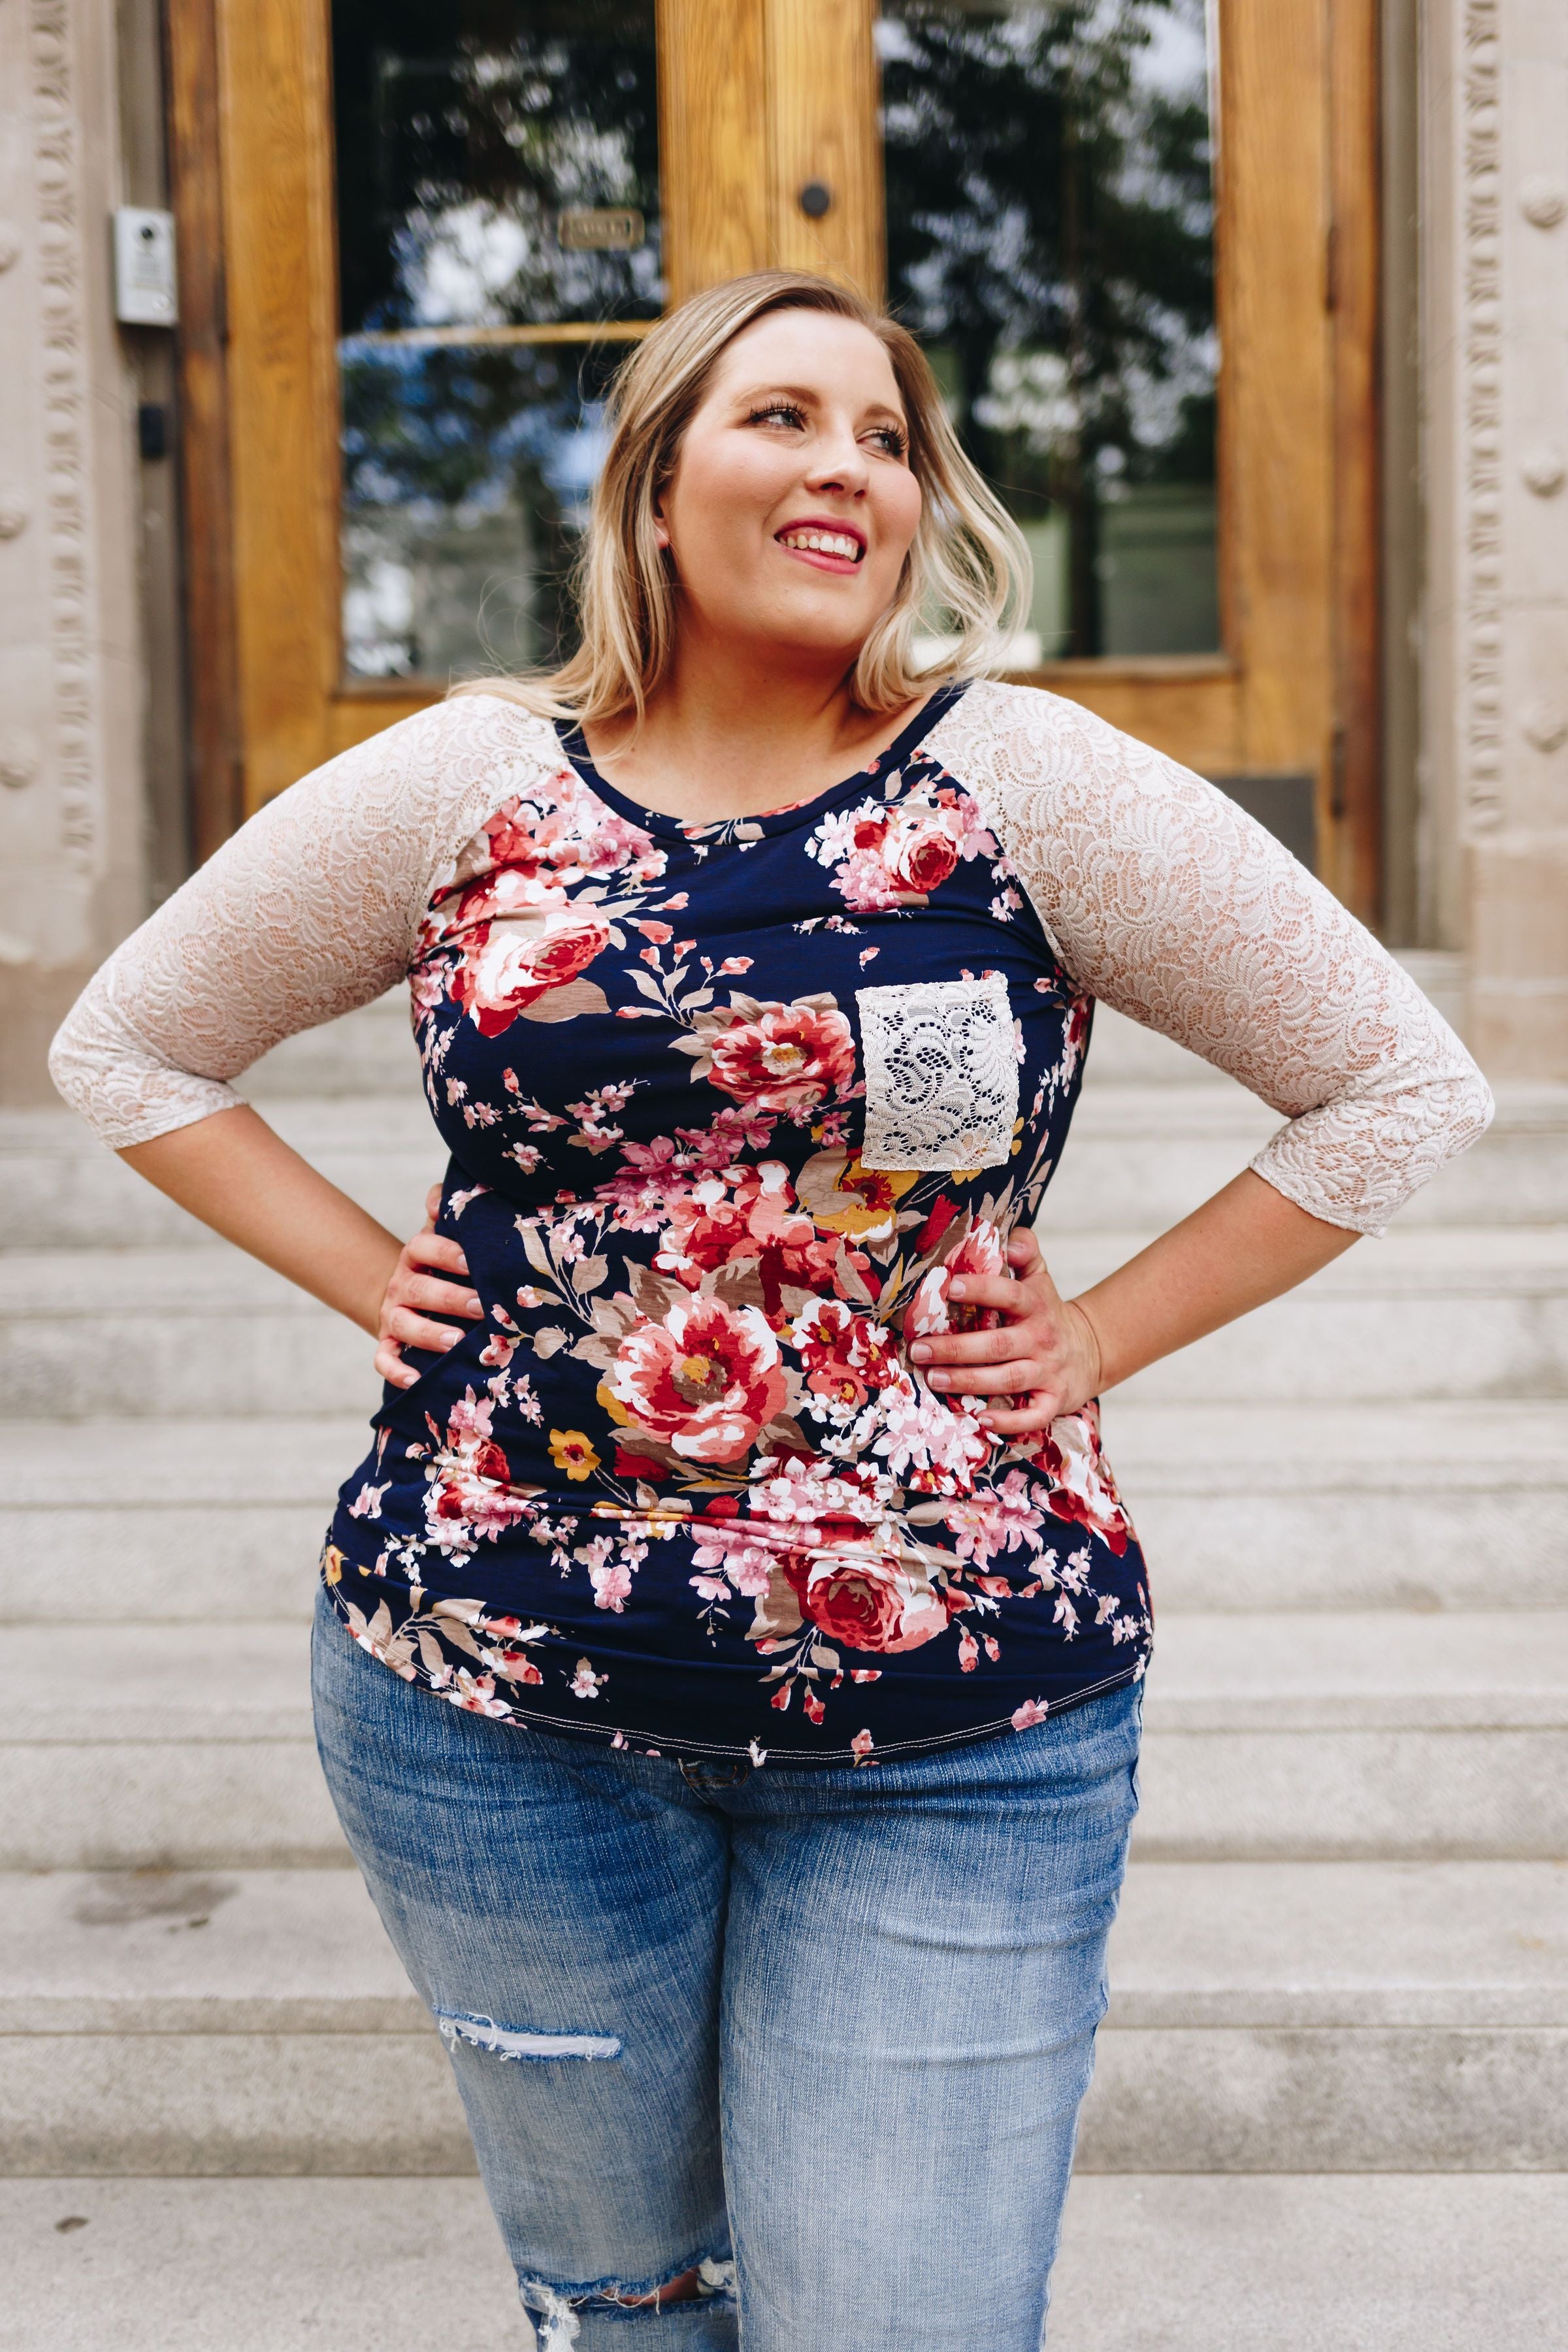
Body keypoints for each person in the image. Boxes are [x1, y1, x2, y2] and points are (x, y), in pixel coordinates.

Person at [50, 270, 1492, 2349]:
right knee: (625, 2308)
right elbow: (133, 1047)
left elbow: (1395, 1083)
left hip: (960, 1718)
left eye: (889, 437)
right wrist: (372, 1269)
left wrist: (1106, 1334)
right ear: (654, 490)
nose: (848, 468)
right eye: (784, 419)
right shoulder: (476, 787)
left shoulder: (1021, 783)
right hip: (492, 1703)